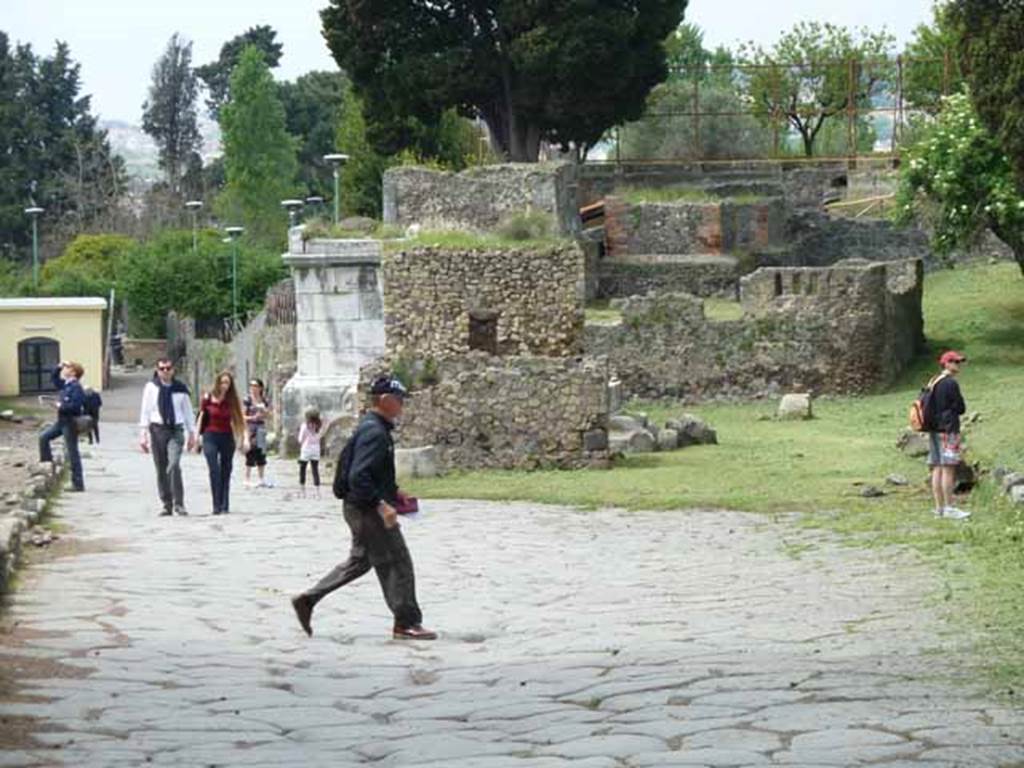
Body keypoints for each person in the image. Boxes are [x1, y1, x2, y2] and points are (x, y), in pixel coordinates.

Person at [291, 375, 437, 641]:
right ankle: (406, 623)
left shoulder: (374, 428)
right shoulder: (374, 432)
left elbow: (373, 472)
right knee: (397, 561)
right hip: (367, 510)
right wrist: (382, 505)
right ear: (385, 401)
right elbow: (359, 476)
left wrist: (394, 493)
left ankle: (307, 600)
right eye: (399, 399)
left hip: (358, 508)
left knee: (359, 562)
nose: (403, 404)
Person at [138, 358, 196, 516]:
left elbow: (188, 412)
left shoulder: (180, 389)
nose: (165, 371)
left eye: (168, 368)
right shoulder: (151, 387)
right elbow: (146, 410)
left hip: (175, 430)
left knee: (174, 464)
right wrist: (143, 434)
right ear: (157, 370)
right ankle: (166, 503)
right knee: (161, 468)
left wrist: (192, 434)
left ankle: (179, 503)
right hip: (157, 429)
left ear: (173, 370)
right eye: (162, 368)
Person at [196, 371, 247, 515]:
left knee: (226, 470)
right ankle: (216, 504)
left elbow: (239, 420)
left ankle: (225, 504)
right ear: (218, 382)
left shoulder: (232, 401)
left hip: (226, 437)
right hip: (210, 435)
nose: (225, 386)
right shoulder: (208, 398)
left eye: (228, 383)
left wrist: (243, 438)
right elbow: (201, 416)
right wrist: (197, 437)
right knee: (214, 469)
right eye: (223, 382)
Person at [928, 351, 970, 520]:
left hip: (934, 429)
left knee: (937, 467)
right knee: (948, 468)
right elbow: (961, 408)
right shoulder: (950, 383)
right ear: (945, 364)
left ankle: (939, 509)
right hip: (948, 430)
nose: (957, 365)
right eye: (954, 362)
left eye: (958, 362)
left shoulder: (934, 381)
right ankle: (949, 507)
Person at [39, 361, 86, 492]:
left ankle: (78, 483)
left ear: (74, 372)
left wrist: (60, 406)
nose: (65, 369)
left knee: (72, 452)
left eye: (68, 368)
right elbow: (53, 378)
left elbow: (76, 407)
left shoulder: (76, 387)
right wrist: (58, 366)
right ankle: (47, 466)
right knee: (43, 438)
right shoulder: (67, 385)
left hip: (70, 422)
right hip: (61, 421)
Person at [243, 379, 271, 488]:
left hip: (261, 427)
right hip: (250, 427)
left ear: (260, 388)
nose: (253, 388)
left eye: (255, 386)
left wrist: (264, 412)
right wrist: (253, 417)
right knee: (250, 451)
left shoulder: (264, 400)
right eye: (251, 386)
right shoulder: (247, 400)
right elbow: (242, 416)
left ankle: (261, 478)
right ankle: (247, 478)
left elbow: (269, 415)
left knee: (261, 453)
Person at [298, 407, 325, 498]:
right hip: (316, 449)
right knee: (315, 470)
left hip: (306, 449)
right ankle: (317, 492)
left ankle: (303, 491)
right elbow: (321, 436)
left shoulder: (304, 426)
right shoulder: (320, 426)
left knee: (303, 469)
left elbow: (300, 439)